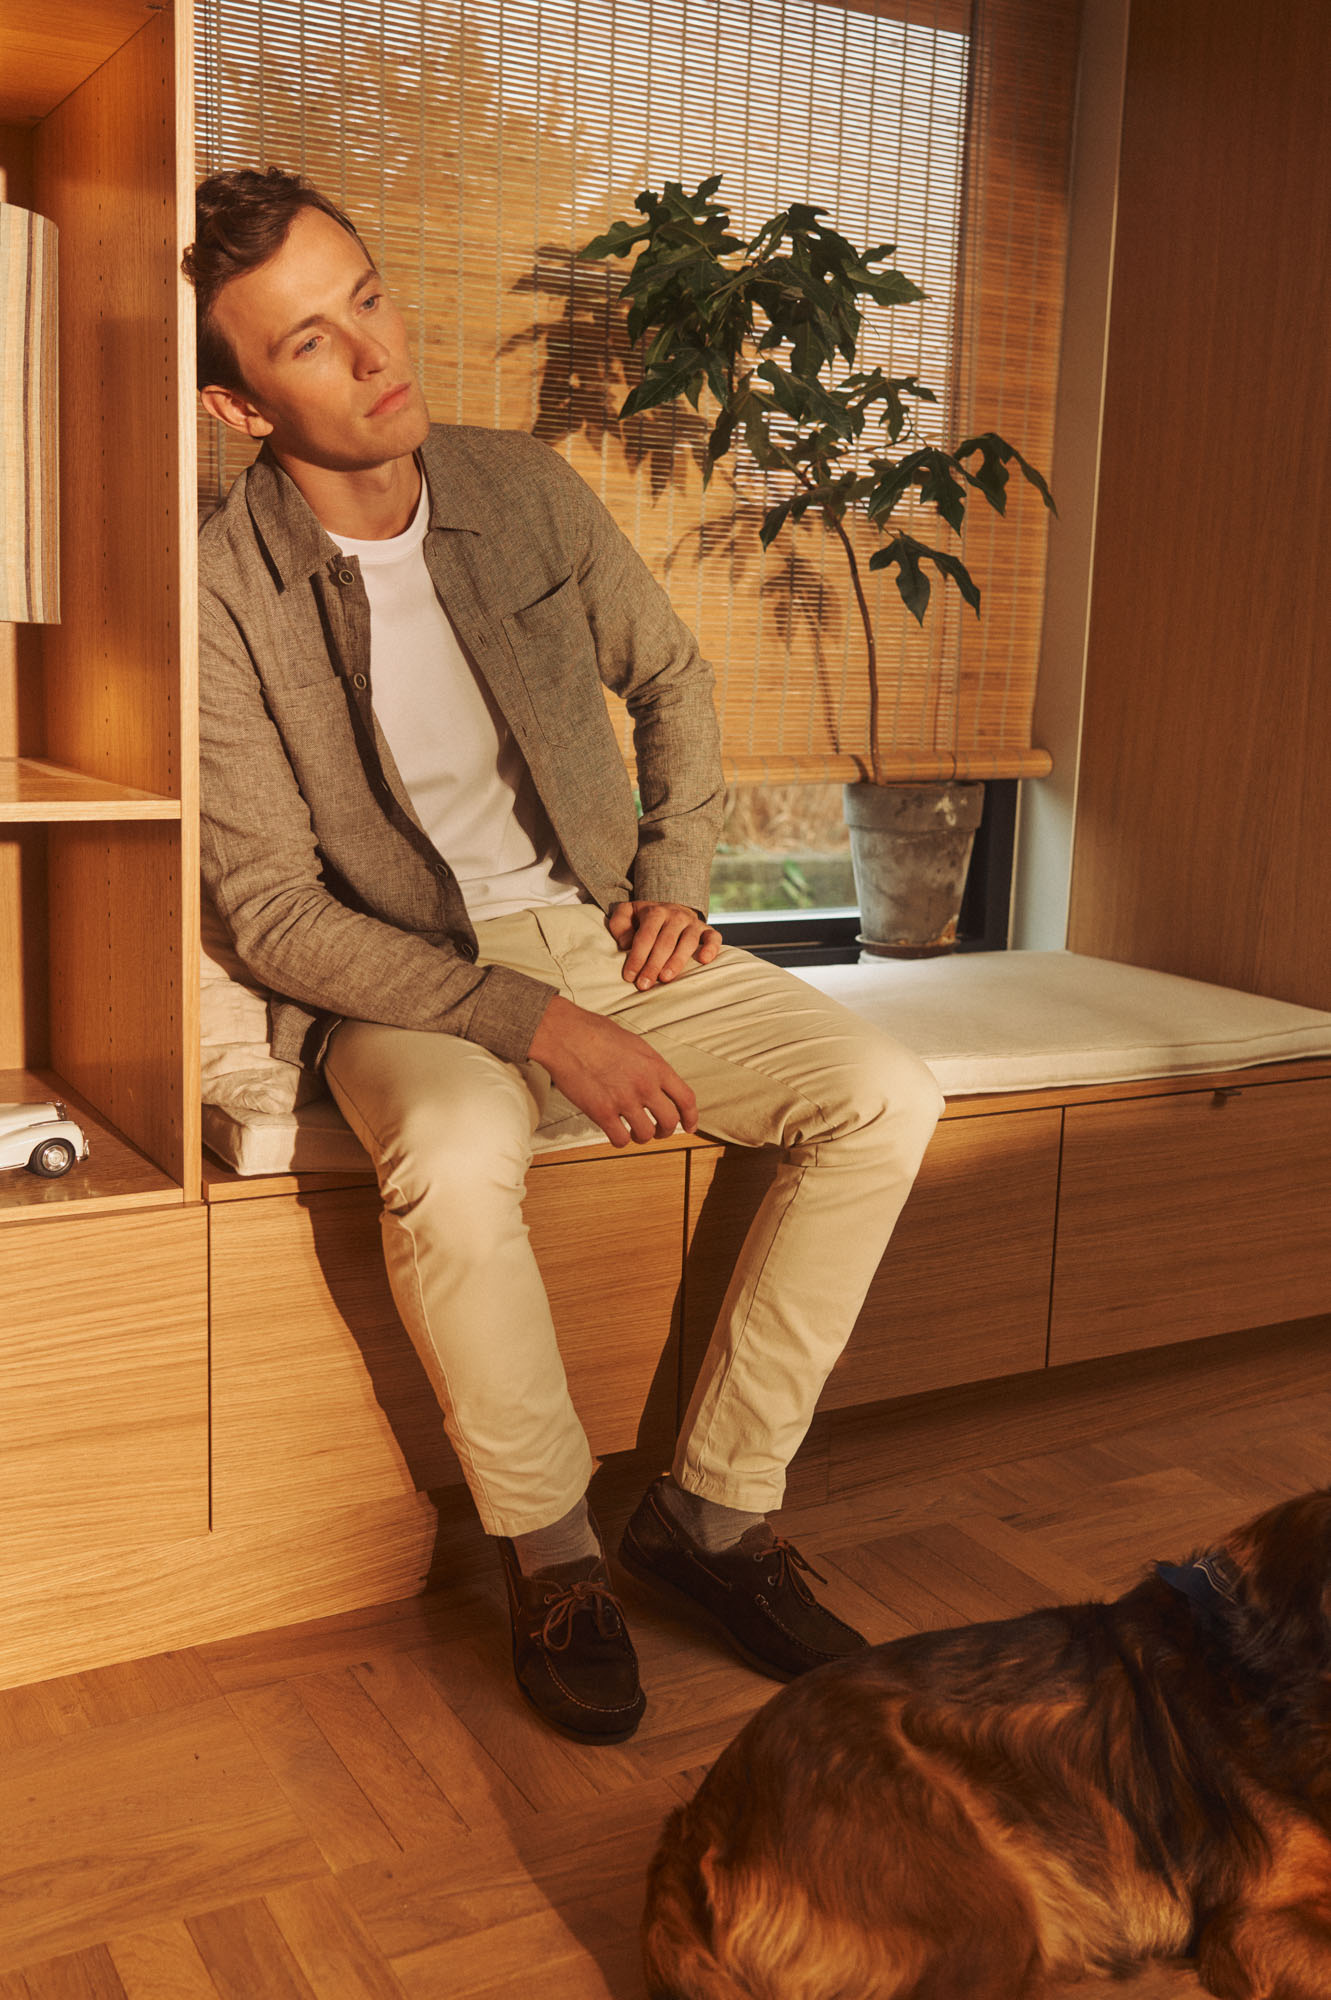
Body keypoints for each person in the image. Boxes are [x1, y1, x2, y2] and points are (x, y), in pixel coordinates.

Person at [185, 167, 944, 1746]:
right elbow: (270, 911)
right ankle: (557, 1558)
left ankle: (715, 1515)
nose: (374, 353)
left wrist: (673, 876)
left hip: (605, 929)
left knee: (882, 1090)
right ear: (239, 404)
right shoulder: (218, 585)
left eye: (370, 298)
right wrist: (533, 1024)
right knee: (458, 1155)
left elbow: (672, 677)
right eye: (310, 343)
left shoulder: (519, 487)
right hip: (403, 977)